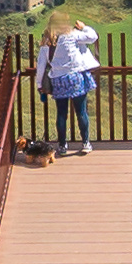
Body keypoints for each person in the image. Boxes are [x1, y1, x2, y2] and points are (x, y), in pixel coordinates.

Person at [39, 11, 99, 158]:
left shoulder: (47, 41)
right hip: (76, 77)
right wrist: (84, 27)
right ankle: (85, 143)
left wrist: (39, 85)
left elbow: (41, 65)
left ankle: (62, 146)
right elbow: (93, 36)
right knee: (81, 112)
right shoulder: (72, 35)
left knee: (61, 114)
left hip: (58, 80)